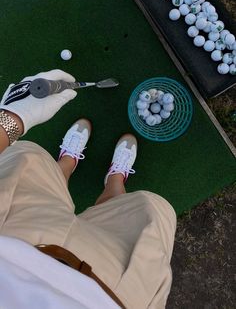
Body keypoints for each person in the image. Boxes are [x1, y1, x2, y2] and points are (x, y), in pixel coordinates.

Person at [0, 69, 176, 309]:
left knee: (29, 166)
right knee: (148, 212)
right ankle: (115, 180)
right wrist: (9, 119)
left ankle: (65, 165)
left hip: (10, 232)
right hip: (115, 293)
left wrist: (11, 119)